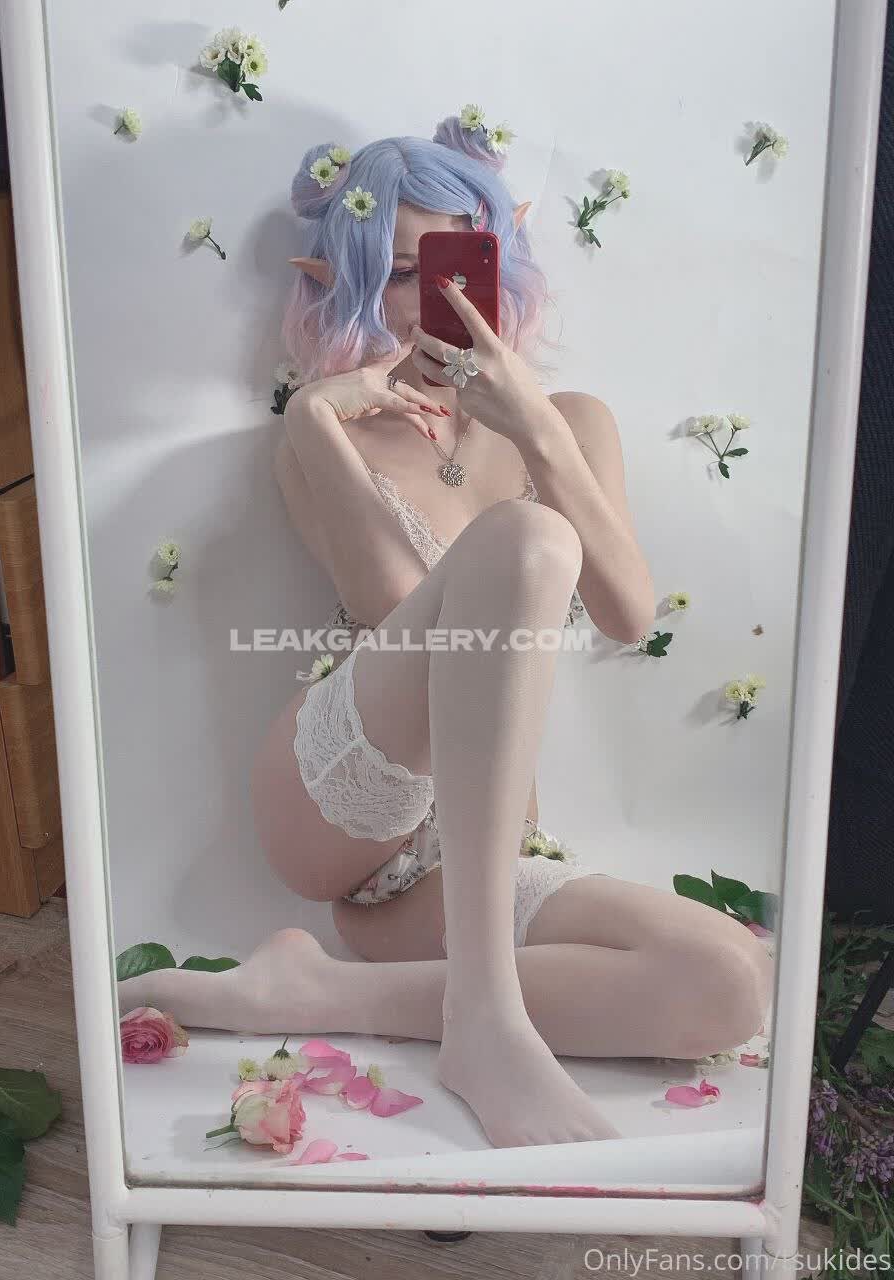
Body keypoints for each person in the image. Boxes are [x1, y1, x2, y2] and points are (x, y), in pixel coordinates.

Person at [119, 116, 774, 1149]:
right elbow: (399, 608)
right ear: (350, 283)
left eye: (461, 265)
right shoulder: (327, 432)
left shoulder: (574, 422)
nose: (440, 297)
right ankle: (486, 1021)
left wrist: (534, 426)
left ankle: (321, 991)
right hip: (341, 792)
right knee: (527, 542)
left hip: (458, 864)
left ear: (501, 262)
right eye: (401, 274)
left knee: (730, 982)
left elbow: (627, 612)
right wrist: (315, 418)